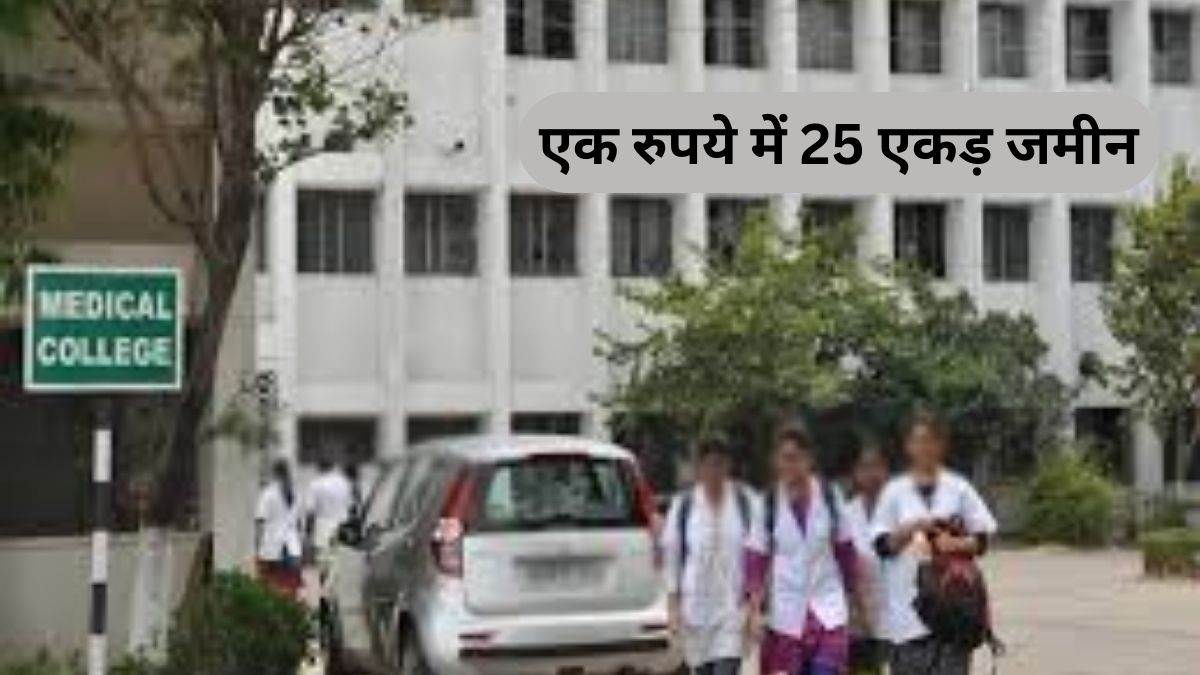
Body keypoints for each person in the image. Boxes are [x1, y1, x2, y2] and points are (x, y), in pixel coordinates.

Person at [870, 410, 998, 675]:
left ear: (941, 445)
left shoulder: (959, 488)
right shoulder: (894, 491)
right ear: (908, 446)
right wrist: (911, 529)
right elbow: (881, 546)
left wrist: (954, 544)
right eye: (918, 441)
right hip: (906, 615)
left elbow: (982, 540)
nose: (924, 448)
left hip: (952, 611)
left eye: (931, 440)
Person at [746, 425, 858, 675]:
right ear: (775, 461)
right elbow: (755, 561)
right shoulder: (767, 503)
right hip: (785, 616)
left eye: (796, 458)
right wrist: (754, 613)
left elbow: (846, 551)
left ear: (809, 459)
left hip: (828, 610)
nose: (790, 465)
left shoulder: (829, 495)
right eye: (784, 458)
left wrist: (853, 600)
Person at [662, 438, 761, 675]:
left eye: (720, 464)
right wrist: (673, 611)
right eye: (709, 464)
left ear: (728, 466)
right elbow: (672, 558)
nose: (715, 471)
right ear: (699, 467)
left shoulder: (746, 502)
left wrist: (755, 610)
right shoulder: (684, 506)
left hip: (732, 612)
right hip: (695, 614)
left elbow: (758, 558)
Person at [844, 440, 891, 674]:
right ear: (855, 473)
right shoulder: (844, 517)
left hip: (902, 625)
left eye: (877, 466)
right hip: (858, 627)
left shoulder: (904, 512)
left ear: (887, 470)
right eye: (864, 467)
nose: (872, 474)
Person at [255, 458, 304, 598]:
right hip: (292, 548)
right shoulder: (297, 494)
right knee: (290, 591)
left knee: (270, 590)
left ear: (274, 473)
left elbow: (260, 521)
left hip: (272, 548)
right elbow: (299, 523)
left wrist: (257, 547)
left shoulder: (268, 494)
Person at [306, 454, 355, 578]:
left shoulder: (315, 484)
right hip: (342, 525)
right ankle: (336, 586)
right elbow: (351, 506)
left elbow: (311, 511)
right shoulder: (344, 482)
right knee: (339, 562)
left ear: (319, 467)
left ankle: (325, 586)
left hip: (323, 526)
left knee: (324, 563)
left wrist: (308, 531)